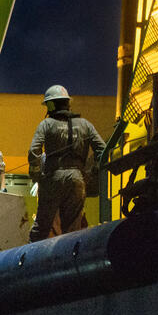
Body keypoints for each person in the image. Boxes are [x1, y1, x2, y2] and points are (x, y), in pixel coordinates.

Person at [27, 85, 106, 241]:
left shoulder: (46, 124)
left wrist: (36, 174)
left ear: (51, 105)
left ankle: (27, 262)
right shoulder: (85, 125)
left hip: (52, 179)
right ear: (67, 103)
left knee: (41, 227)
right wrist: (92, 172)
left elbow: (34, 151)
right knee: (72, 232)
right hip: (77, 181)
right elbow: (103, 150)